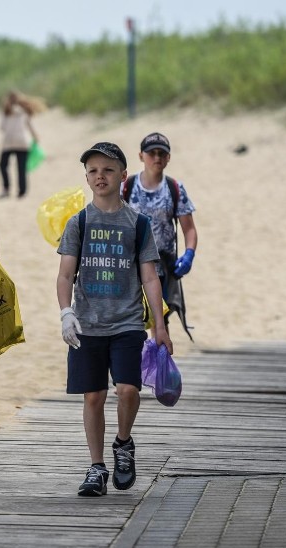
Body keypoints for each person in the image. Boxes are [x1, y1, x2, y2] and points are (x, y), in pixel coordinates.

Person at [56, 142, 172, 497]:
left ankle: (123, 443)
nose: (99, 176)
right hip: (87, 324)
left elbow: (150, 276)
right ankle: (96, 467)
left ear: (123, 176)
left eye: (107, 170)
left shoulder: (138, 224)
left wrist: (160, 324)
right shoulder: (79, 222)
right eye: (92, 170)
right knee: (93, 396)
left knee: (128, 389)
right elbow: (64, 276)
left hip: (127, 323)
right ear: (86, 178)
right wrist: (66, 313)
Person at [121, 132, 197, 340]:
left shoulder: (175, 189)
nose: (156, 158)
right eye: (151, 153)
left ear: (168, 158)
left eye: (161, 154)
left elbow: (188, 228)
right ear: (140, 156)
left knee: (160, 320)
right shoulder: (126, 187)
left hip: (162, 266)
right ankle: (131, 368)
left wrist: (189, 254)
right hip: (129, 266)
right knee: (130, 322)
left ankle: (157, 370)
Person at [0, 90, 44, 199]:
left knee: (3, 165)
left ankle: (6, 188)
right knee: (21, 168)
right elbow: (30, 125)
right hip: (23, 142)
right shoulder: (24, 111)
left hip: (8, 143)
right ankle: (22, 192)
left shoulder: (6, 112)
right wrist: (35, 137)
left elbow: (2, 127)